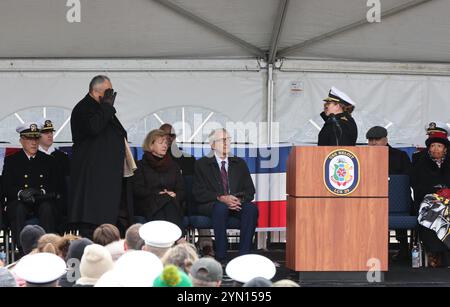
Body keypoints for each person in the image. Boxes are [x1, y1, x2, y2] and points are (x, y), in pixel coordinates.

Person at [69, 75, 134, 237]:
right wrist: (107, 108)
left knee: (109, 221)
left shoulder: (102, 108)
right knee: (92, 222)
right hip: (92, 177)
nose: (111, 96)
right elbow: (94, 128)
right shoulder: (83, 108)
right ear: (96, 91)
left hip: (106, 175)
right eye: (108, 92)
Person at [192, 128, 258, 262]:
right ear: (212, 145)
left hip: (236, 204)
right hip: (212, 204)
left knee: (251, 209)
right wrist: (221, 198)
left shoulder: (239, 163)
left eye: (228, 139)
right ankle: (221, 256)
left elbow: (250, 190)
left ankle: (244, 256)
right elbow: (198, 192)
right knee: (220, 208)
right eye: (222, 140)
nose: (227, 143)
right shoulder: (202, 164)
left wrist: (237, 199)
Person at [2, 123, 60, 247]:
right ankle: (22, 249)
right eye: (29, 139)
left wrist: (40, 192)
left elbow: (55, 185)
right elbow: (6, 186)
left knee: (47, 208)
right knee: (18, 208)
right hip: (20, 201)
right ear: (21, 141)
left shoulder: (48, 160)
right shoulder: (12, 160)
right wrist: (21, 193)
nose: (33, 143)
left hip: (41, 200)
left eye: (36, 138)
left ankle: (49, 247)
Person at [367, 126, 413, 261]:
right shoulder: (363, 156)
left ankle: (403, 247)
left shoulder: (399, 156)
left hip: (396, 201)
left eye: (377, 139)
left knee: (400, 205)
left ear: (386, 140)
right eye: (370, 140)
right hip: (371, 199)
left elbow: (408, 178)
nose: (373, 143)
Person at [411, 125, 450, 267]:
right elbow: (415, 184)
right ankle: (435, 252)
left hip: (448, 201)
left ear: (445, 148)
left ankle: (446, 254)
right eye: (433, 146)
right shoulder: (420, 162)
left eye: (439, 146)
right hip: (427, 202)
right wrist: (435, 192)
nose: (435, 149)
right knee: (433, 213)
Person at [133, 129, 185, 232]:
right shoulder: (140, 166)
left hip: (172, 203)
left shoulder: (173, 166)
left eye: (166, 143)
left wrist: (174, 195)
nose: (165, 145)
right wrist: (157, 193)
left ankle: (161, 242)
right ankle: (179, 238)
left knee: (167, 201)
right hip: (147, 203)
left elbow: (182, 190)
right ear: (151, 145)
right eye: (161, 143)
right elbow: (137, 189)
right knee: (164, 200)